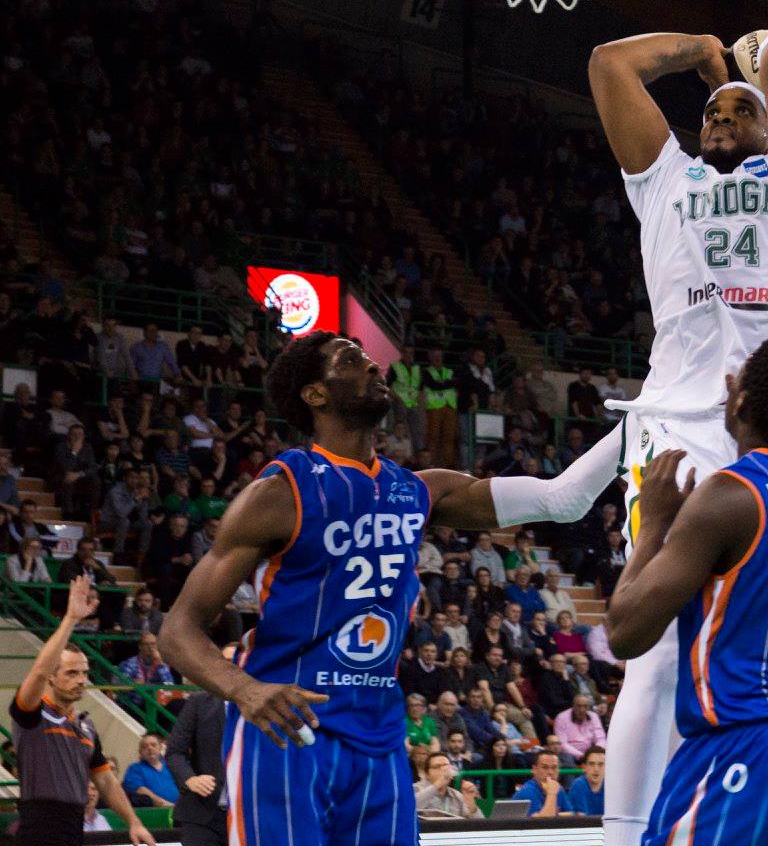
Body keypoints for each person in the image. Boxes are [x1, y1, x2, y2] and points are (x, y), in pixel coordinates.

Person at [157, 333, 624, 846]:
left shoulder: (419, 489)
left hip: (379, 732)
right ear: (315, 394)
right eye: (352, 360)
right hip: (289, 729)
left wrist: (647, 418)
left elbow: (565, 498)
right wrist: (244, 690)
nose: (375, 367)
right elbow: (177, 630)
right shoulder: (279, 492)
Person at [589, 26, 768, 846]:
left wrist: (763, 56)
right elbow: (609, 65)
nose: (722, 118)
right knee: (654, 655)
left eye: (741, 109)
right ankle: (624, 836)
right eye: (713, 112)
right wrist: (698, 46)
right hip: (679, 434)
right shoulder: (666, 182)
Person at [604, 338, 768, 846]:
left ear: (738, 400)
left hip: (748, 748)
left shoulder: (728, 496)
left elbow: (625, 634)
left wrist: (652, 523)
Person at [8, 577, 155, 846]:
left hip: (74, 826)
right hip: (39, 827)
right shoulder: (31, 713)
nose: (80, 679)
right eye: (71, 673)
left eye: (84, 673)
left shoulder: (86, 726)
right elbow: (39, 669)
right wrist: (71, 620)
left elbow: (107, 782)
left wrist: (134, 822)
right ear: (52, 678)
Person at [165, 655, 233, 846]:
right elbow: (174, 751)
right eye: (226, 660)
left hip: (249, 815)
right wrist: (190, 779)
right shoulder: (199, 702)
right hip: (202, 816)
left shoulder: (263, 710)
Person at [413, 752, 479, 819]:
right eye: (437, 767)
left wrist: (471, 805)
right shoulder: (416, 789)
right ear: (427, 774)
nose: (443, 770)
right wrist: (438, 784)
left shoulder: (456, 795)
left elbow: (480, 823)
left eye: (446, 766)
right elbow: (411, 807)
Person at [122, 734, 179, 808]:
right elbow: (140, 790)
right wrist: (166, 804)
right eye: (144, 747)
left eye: (153, 745)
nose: (150, 748)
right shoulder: (134, 769)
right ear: (140, 752)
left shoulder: (171, 766)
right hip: (153, 812)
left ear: (160, 747)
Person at [510, 750, 565, 817]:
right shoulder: (527, 791)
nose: (550, 772)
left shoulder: (558, 788)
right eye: (545, 767)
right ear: (534, 769)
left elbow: (573, 814)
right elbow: (544, 823)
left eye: (554, 767)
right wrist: (552, 793)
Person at [567, 746, 607, 816]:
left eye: (600, 764)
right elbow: (583, 820)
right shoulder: (578, 785)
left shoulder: (611, 786)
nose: (596, 769)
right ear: (584, 767)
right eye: (591, 764)